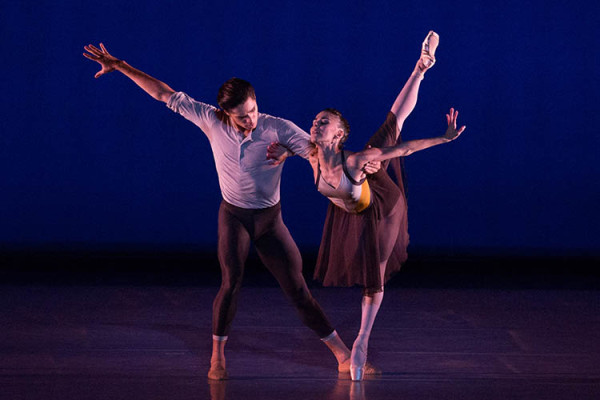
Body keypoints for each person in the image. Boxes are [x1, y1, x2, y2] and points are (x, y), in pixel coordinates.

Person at [82, 43, 381, 380]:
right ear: (227, 114)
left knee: (297, 289)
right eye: (242, 116)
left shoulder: (278, 128)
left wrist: (354, 169)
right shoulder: (211, 120)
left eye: (253, 110)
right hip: (234, 217)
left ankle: (343, 355)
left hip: (269, 221)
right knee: (231, 282)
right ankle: (217, 358)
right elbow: (163, 93)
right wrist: (120, 65)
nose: (250, 120)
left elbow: (320, 154)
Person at [268, 31, 466, 381]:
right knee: (386, 132)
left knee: (391, 129)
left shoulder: (358, 159)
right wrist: (283, 150)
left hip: (383, 205)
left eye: (323, 122)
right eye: (315, 121)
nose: (315, 124)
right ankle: (421, 66)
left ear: (339, 134)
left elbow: (404, 149)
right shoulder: (310, 153)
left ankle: (360, 343)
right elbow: (282, 134)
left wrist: (444, 138)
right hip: (350, 206)